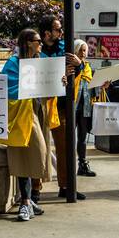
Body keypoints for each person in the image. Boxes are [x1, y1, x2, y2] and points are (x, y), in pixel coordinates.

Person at [2, 29, 58, 221]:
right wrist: (33, 86)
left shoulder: (40, 61)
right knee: (29, 152)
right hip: (22, 115)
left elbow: (49, 86)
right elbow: (7, 88)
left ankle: (30, 199)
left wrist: (59, 82)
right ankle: (25, 202)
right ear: (27, 42)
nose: (41, 43)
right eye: (37, 41)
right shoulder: (13, 63)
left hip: (37, 111)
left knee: (37, 154)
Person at [39, 17, 83, 200]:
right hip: (40, 105)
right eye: (57, 30)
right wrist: (59, 74)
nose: (61, 33)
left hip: (61, 106)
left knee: (65, 147)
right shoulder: (36, 50)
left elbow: (74, 74)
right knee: (38, 147)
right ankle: (34, 189)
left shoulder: (65, 49)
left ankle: (66, 185)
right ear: (47, 33)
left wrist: (78, 65)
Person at [70, 40, 98, 184]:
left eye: (85, 50)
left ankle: (82, 164)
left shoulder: (87, 67)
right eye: (80, 50)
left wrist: (102, 85)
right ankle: (68, 166)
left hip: (85, 106)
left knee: (82, 137)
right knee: (70, 138)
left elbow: (91, 85)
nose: (83, 53)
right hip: (72, 106)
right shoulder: (71, 66)